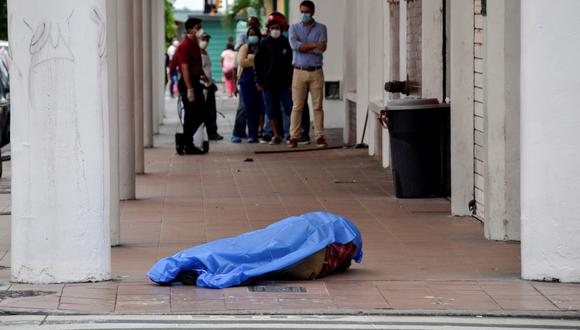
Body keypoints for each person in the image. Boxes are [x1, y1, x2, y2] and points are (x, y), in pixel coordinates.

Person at [288, 0, 328, 148]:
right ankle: (294, 136)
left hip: (316, 71)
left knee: (318, 106)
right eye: (302, 12)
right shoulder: (294, 28)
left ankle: (319, 136)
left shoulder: (321, 28)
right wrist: (314, 44)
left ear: (312, 12)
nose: (304, 14)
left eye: (306, 12)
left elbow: (321, 49)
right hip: (298, 71)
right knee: (297, 106)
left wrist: (303, 46)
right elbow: (294, 46)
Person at [255, 13, 293, 145]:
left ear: (282, 29)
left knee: (289, 109)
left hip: (284, 84)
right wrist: (259, 81)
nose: (274, 30)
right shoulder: (264, 44)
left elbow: (291, 64)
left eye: (277, 27)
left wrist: (291, 82)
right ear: (269, 29)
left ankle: (289, 134)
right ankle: (276, 135)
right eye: (272, 28)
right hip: (267, 84)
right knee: (271, 110)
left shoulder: (287, 43)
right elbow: (258, 64)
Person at [174, 17, 208, 155]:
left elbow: (196, 64)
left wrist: (202, 74)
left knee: (200, 114)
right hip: (188, 83)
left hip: (196, 81)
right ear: (189, 29)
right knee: (191, 114)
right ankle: (187, 143)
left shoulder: (195, 44)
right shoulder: (184, 46)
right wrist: (189, 89)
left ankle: (184, 140)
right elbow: (185, 69)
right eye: (197, 27)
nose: (200, 30)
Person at [237, 27, 264, 144]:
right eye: (250, 34)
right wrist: (257, 60)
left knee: (261, 109)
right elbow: (241, 62)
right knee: (249, 110)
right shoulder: (244, 47)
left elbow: (266, 62)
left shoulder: (263, 47)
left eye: (254, 34)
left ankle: (261, 132)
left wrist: (252, 59)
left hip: (261, 83)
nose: (252, 36)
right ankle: (252, 135)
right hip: (246, 83)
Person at [199, 32, 223, 141]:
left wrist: (212, 82)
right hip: (201, 87)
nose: (206, 42)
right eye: (203, 39)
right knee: (202, 112)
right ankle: (198, 134)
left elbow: (207, 69)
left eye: (207, 40)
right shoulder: (196, 54)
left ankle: (212, 132)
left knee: (211, 111)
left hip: (209, 86)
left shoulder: (205, 53)